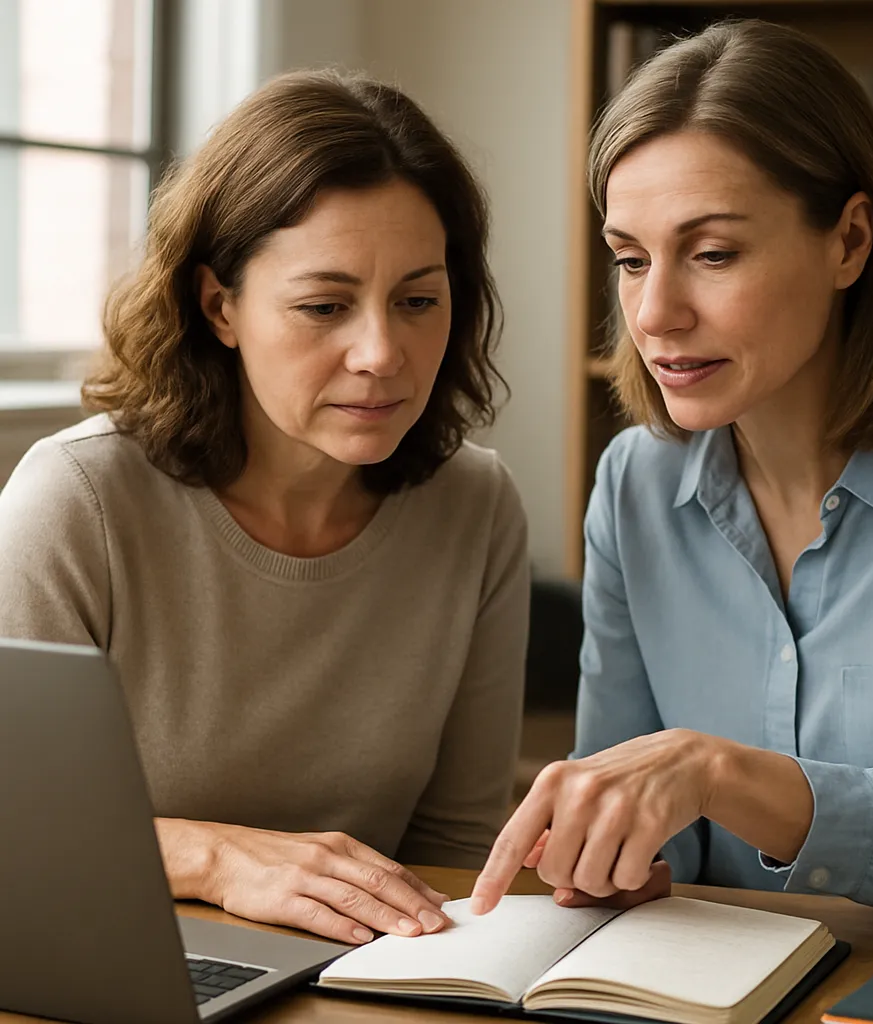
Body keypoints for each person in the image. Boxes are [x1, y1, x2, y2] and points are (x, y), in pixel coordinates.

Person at [471, 18, 873, 924]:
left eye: (714, 253)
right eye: (630, 259)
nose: (654, 314)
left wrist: (717, 773)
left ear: (850, 241)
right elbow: (644, 821)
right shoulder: (634, 485)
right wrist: (615, 854)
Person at [0, 69, 530, 945]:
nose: (380, 353)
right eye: (324, 306)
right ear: (220, 306)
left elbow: (453, 850)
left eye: (419, 301)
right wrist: (214, 859)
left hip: (361, 978)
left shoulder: (476, 508)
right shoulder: (77, 502)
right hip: (110, 968)